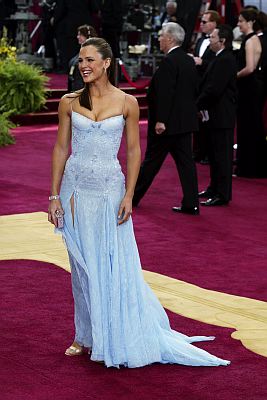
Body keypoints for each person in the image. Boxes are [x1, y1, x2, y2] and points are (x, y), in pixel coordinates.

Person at [48, 37, 230, 368]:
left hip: (110, 191)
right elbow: (61, 148)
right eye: (80, 61)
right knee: (82, 268)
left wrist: (130, 195)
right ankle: (84, 335)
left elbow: (134, 151)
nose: (83, 65)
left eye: (90, 59)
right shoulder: (69, 102)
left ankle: (113, 331)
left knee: (113, 263)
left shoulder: (128, 102)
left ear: (106, 63)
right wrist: (54, 195)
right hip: (76, 191)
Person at [133, 22, 199, 215]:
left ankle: (133, 197)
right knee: (186, 164)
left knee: (151, 162)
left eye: (161, 35)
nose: (159, 39)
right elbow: (193, 90)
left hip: (167, 125)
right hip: (184, 123)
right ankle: (192, 203)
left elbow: (165, 93)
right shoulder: (188, 60)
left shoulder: (170, 61)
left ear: (170, 38)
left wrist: (161, 120)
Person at [197, 25, 237, 206]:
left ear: (223, 41)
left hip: (222, 115)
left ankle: (222, 193)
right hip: (213, 114)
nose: (210, 40)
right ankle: (214, 188)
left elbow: (214, 89)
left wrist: (196, 104)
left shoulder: (226, 59)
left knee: (222, 156)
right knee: (214, 155)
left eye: (212, 37)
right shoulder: (218, 58)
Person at [236, 9, 267, 177]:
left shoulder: (251, 40)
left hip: (250, 87)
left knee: (249, 126)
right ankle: (250, 166)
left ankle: (250, 167)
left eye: (241, 21)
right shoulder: (253, 39)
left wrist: (233, 76)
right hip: (252, 87)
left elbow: (250, 68)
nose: (238, 24)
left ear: (250, 22)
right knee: (251, 125)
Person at [193, 10, 221, 164]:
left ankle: (208, 153)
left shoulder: (218, 44)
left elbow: (219, 65)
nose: (201, 24)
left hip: (210, 87)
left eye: (205, 22)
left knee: (209, 121)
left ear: (214, 23)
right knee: (197, 121)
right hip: (198, 86)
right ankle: (198, 151)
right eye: (201, 21)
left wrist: (202, 63)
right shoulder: (199, 41)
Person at [68, 25, 97, 92]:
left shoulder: (94, 54)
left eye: (80, 35)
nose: (78, 37)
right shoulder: (80, 53)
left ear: (87, 36)